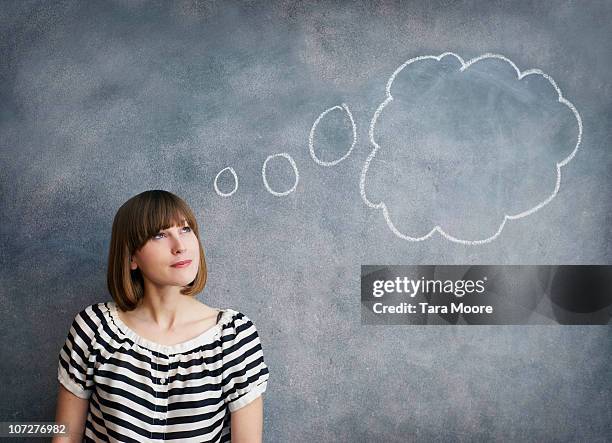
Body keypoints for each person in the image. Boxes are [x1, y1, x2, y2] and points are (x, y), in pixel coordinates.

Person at [53, 190, 270, 442]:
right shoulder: (94, 330)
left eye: (186, 230)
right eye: (159, 235)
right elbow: (66, 435)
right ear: (131, 256)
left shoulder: (234, 337)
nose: (180, 246)